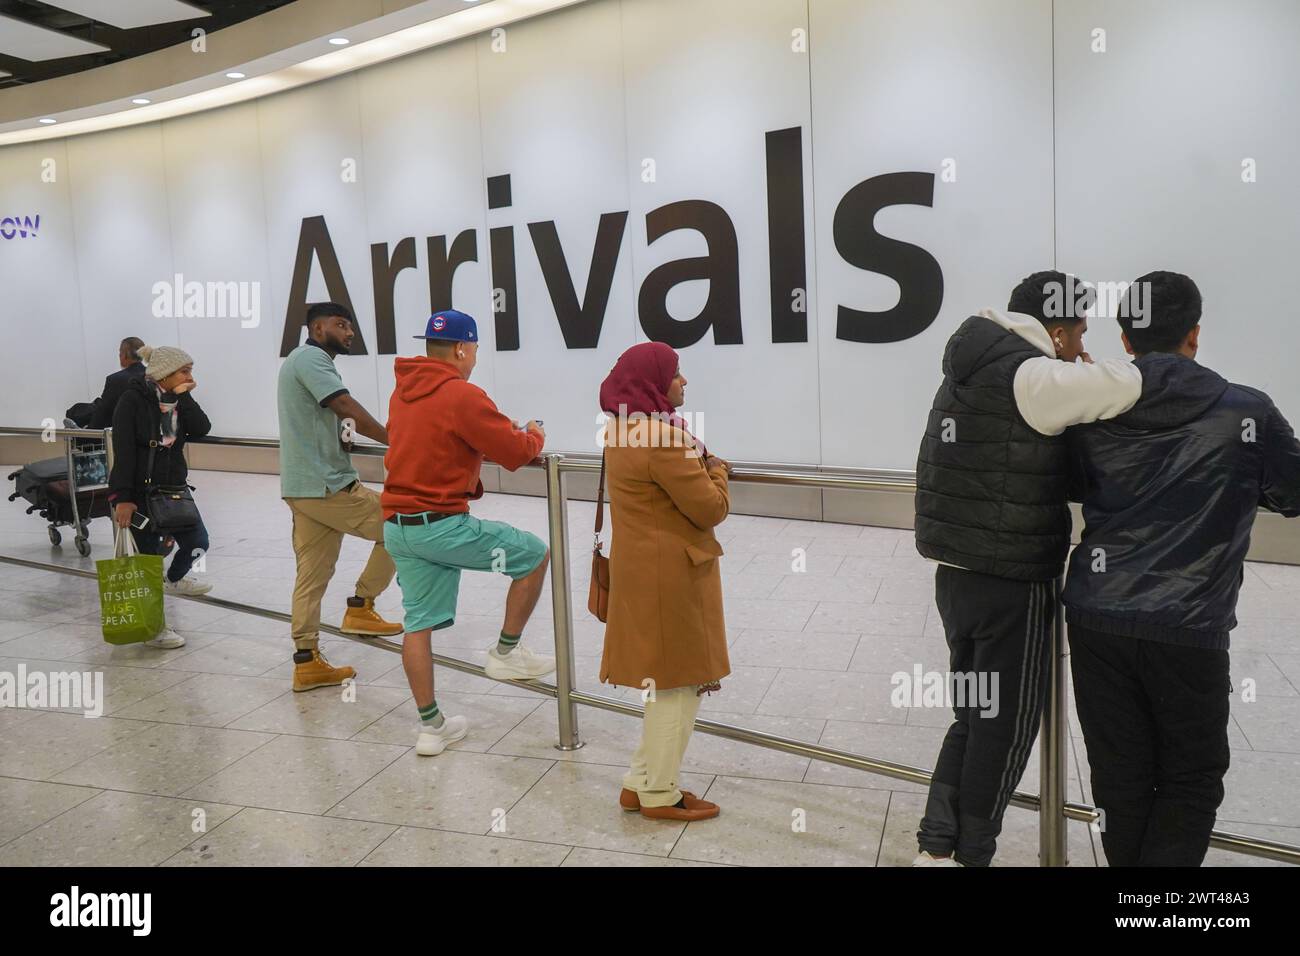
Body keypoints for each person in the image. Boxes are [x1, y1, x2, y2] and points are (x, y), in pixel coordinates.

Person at [1064, 271, 1300, 866]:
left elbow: (1067, 480)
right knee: (1191, 776)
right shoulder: (1246, 411)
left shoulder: (1091, 407)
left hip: (1098, 617)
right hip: (1188, 624)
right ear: (1194, 334)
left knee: (1118, 773)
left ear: (1124, 339)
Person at [911, 271, 1144, 866]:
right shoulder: (1035, 375)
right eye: (1080, 333)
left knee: (973, 709)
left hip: (957, 576)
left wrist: (1072, 362)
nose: (1083, 345)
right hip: (1012, 577)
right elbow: (1130, 383)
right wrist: (1082, 366)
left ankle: (938, 847)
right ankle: (971, 853)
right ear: (1059, 331)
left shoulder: (975, 360)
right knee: (1007, 724)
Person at [382, 309, 555, 756]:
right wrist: (534, 434)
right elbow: (515, 452)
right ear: (461, 348)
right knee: (534, 555)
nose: (475, 357)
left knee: (417, 625)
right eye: (475, 348)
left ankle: (430, 727)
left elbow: (441, 440)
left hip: (400, 527)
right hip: (442, 526)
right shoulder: (462, 394)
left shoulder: (402, 392)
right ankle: (506, 653)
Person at [599, 342, 730, 822]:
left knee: (663, 684)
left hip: (641, 570)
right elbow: (710, 508)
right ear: (653, 381)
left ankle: (639, 782)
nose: (684, 381)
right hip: (672, 576)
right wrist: (716, 471)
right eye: (676, 373)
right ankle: (660, 793)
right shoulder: (664, 438)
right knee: (676, 686)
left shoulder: (620, 430)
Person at [277, 302, 405, 693]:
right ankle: (361, 607)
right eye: (341, 325)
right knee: (400, 526)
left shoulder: (301, 361)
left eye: (350, 326)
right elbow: (344, 404)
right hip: (328, 485)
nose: (349, 333)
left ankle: (306, 660)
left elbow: (334, 417)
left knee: (311, 577)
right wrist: (396, 439)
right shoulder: (312, 358)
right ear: (317, 329)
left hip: (303, 487)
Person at [108, 344, 213, 649]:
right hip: (139, 494)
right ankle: (154, 628)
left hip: (173, 491)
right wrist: (123, 498)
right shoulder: (132, 400)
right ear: (164, 373)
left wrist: (184, 394)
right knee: (148, 562)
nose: (190, 376)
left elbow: (202, 428)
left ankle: (176, 577)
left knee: (198, 542)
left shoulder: (177, 398)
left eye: (190, 369)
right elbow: (124, 450)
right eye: (185, 370)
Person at [88, 337, 147, 428]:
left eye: (120, 352)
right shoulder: (155, 376)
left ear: (124, 355)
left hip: (125, 436)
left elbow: (102, 414)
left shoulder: (115, 379)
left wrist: (88, 434)